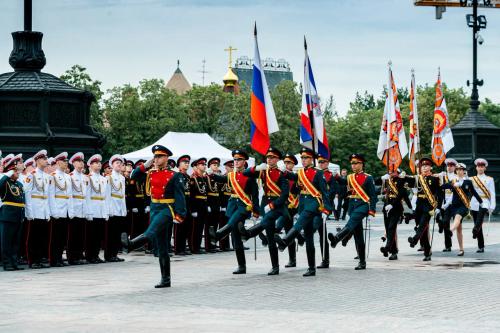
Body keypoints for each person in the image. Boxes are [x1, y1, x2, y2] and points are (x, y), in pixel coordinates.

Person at [122, 145, 186, 288]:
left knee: (151, 231)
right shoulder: (150, 173)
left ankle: (131, 245)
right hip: (154, 208)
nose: (156, 159)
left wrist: (180, 215)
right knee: (162, 247)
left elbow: (180, 196)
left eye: (159, 156)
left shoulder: (175, 175)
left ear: (166, 158)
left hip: (167, 209)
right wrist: (145, 165)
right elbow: (134, 176)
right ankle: (166, 279)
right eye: (155, 156)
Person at [275, 147, 332, 277]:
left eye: (306, 158)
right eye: (302, 158)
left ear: (311, 159)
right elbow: (295, 186)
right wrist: (284, 174)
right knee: (309, 238)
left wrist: (327, 209)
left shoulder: (318, 173)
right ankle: (311, 268)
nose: (304, 160)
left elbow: (325, 192)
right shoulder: (300, 173)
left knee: (300, 221)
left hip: (314, 204)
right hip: (303, 204)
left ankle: (285, 241)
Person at [237, 147, 289, 275]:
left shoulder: (281, 173)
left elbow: (284, 195)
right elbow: (245, 173)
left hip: (278, 206)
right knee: (270, 237)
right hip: (265, 203)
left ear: (277, 159)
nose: (269, 159)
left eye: (272, 157)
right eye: (268, 157)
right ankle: (275, 266)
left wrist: (273, 205)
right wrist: (257, 168)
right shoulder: (263, 171)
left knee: (266, 220)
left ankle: (249, 233)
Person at [208, 149, 259, 274]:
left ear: (244, 161)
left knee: (233, 221)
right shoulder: (231, 175)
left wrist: (256, 210)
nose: (236, 162)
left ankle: (219, 234)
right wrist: (210, 174)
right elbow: (221, 179)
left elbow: (255, 195)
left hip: (244, 206)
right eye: (235, 160)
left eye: (239, 159)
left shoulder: (250, 177)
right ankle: (241, 266)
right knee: (235, 237)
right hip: (232, 206)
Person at [328, 153, 376, 270]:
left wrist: (372, 210)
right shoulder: (350, 177)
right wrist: (335, 177)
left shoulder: (368, 178)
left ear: (361, 164)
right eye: (352, 164)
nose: (353, 166)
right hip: (352, 206)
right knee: (358, 236)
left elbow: (373, 195)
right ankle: (362, 262)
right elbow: (343, 182)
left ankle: (337, 238)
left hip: (363, 205)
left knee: (352, 222)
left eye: (355, 163)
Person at [404, 157, 442, 261]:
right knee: (423, 231)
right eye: (422, 166)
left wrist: (438, 207)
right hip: (419, 205)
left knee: (422, 225)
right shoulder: (418, 178)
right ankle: (427, 252)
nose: (424, 168)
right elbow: (408, 181)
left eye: (426, 166)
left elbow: (439, 194)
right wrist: (402, 176)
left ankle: (414, 240)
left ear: (430, 167)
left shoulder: (435, 179)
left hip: (428, 206)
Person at [442, 163, 482, 256]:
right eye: (458, 169)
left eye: (461, 169)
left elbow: (474, 193)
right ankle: (461, 249)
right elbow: (443, 187)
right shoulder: (453, 180)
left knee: (457, 218)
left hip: (463, 206)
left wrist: (481, 202)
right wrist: (451, 184)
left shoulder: (468, 182)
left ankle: (450, 230)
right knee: (459, 229)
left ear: (464, 171)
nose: (459, 171)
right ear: (456, 171)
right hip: (454, 206)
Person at [376, 168, 412, 260]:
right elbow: (375, 182)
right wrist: (381, 177)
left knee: (392, 228)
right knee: (388, 229)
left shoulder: (401, 180)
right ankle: (393, 251)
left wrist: (410, 207)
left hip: (396, 207)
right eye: (390, 171)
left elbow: (401, 194)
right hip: (387, 207)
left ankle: (388, 248)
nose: (391, 173)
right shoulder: (387, 180)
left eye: (393, 171)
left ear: (397, 173)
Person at [24, 150, 51, 269]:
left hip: (44, 209)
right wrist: (29, 211)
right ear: (38, 161)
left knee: (42, 236)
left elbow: (48, 195)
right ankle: (32, 260)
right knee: (33, 237)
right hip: (34, 208)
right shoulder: (31, 175)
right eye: (44, 159)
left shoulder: (47, 176)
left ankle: (39, 259)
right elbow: (27, 194)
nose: (46, 161)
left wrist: (48, 211)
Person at [274, 153, 301, 268]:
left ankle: (273, 234)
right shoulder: (281, 175)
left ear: (293, 164)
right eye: (285, 162)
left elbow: (299, 192)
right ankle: (292, 259)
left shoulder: (296, 176)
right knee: (289, 232)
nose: (286, 164)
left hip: (292, 206)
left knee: (280, 225)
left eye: (289, 163)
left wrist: (294, 204)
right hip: (282, 205)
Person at [0, 154, 25, 271]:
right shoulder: (5, 182)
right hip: (8, 215)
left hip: (18, 214)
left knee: (16, 242)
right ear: (11, 171)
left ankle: (14, 263)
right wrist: (6, 175)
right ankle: (7, 263)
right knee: (7, 241)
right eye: (15, 172)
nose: (18, 173)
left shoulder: (19, 184)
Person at [48, 152, 73, 267]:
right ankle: (54, 259)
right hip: (57, 208)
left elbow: (70, 195)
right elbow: (51, 195)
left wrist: (71, 210)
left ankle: (59, 258)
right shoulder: (52, 176)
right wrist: (54, 211)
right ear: (58, 163)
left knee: (63, 236)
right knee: (55, 237)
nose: (66, 163)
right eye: (64, 161)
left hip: (66, 209)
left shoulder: (68, 177)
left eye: (67, 161)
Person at [85, 154, 108, 264]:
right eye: (96, 163)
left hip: (101, 208)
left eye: (99, 162)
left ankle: (96, 255)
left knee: (99, 234)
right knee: (91, 235)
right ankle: (90, 256)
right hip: (92, 208)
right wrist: (88, 211)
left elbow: (106, 196)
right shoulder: (88, 178)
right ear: (90, 165)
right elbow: (87, 196)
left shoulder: (104, 179)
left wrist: (106, 211)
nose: (99, 164)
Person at [470, 158, 496, 253]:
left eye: (482, 167)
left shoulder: (489, 179)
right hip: (474, 202)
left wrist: (492, 206)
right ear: (476, 168)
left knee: (479, 220)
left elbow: (492, 193)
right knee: (477, 223)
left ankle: (475, 229)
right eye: (478, 166)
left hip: (484, 201)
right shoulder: (471, 179)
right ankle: (480, 246)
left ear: (485, 168)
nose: (480, 168)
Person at [67, 152, 89, 265]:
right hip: (74, 207)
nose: (81, 164)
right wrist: (70, 210)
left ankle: (79, 255)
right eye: (79, 161)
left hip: (82, 208)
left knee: (81, 234)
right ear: (74, 163)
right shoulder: (70, 177)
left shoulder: (85, 178)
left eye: (82, 162)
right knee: (73, 234)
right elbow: (69, 195)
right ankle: (72, 257)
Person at [316, 153, 337, 269]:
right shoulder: (315, 174)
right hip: (314, 206)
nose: (321, 164)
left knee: (322, 234)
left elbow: (332, 192)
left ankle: (325, 259)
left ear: (327, 163)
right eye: (319, 162)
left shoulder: (330, 176)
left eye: (323, 162)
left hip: (323, 207)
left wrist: (326, 208)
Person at [105, 154, 126, 262]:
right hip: (112, 205)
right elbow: (107, 195)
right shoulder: (109, 177)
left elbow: (122, 195)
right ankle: (109, 255)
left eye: (120, 163)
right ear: (112, 165)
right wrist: (108, 210)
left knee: (117, 232)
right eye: (117, 163)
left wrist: (124, 209)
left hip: (119, 206)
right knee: (111, 233)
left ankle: (115, 253)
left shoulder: (122, 178)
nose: (119, 165)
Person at [435, 158, 457, 252]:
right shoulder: (442, 175)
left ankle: (456, 244)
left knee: (450, 222)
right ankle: (448, 245)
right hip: (444, 202)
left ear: (454, 167)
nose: (449, 167)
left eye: (451, 166)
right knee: (445, 223)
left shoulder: (456, 177)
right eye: (448, 165)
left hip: (453, 202)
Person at [189, 158, 209, 254]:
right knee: (195, 228)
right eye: (202, 164)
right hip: (197, 205)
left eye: (204, 164)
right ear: (196, 166)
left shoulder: (203, 178)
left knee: (201, 227)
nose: (204, 166)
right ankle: (194, 247)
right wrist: (193, 210)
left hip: (203, 205)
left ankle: (198, 245)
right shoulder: (193, 178)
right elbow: (191, 195)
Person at [174, 155, 192, 255]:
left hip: (187, 204)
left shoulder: (187, 176)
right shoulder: (177, 175)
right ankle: (177, 249)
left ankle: (183, 248)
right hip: (179, 205)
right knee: (179, 228)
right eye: (184, 162)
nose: (187, 164)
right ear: (179, 164)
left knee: (186, 227)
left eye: (188, 162)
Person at [218, 160, 234, 252]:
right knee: (224, 225)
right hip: (224, 205)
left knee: (231, 225)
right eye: (230, 167)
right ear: (226, 168)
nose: (231, 169)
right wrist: (222, 205)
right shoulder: (223, 178)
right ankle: (223, 245)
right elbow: (219, 193)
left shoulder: (233, 178)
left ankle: (230, 245)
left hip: (231, 205)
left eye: (232, 167)